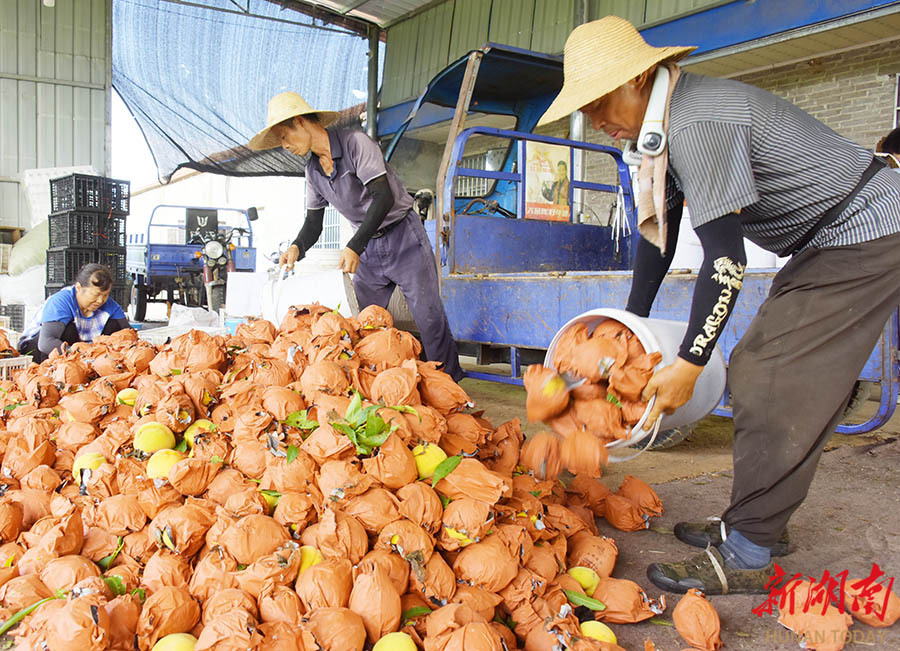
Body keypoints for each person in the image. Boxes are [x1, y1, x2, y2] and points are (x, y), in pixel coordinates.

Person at [538, 16, 900, 595]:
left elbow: (724, 261)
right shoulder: (663, 128)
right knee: (770, 370)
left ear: (640, 79)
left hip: (867, 231)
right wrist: (623, 330)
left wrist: (690, 361)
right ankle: (754, 525)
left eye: (601, 100)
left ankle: (752, 550)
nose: (596, 120)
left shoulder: (698, 120)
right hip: (826, 240)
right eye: (586, 108)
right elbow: (659, 237)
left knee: (770, 376)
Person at [248, 92, 464, 381]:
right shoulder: (312, 171)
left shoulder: (355, 144)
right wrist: (297, 247)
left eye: (285, 136)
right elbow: (314, 223)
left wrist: (353, 246)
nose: (285, 146)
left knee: (429, 318)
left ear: (301, 122)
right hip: (369, 252)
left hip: (403, 237)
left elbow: (383, 196)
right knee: (357, 322)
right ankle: (367, 384)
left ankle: (449, 386)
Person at [19, 264, 129, 361]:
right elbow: (46, 343)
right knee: (69, 330)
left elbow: (128, 333)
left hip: (83, 353)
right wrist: (82, 355)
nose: (100, 300)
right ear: (78, 288)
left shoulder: (109, 305)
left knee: (115, 328)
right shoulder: (61, 301)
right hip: (38, 349)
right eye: (95, 295)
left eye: (105, 295)